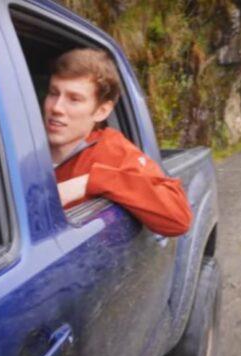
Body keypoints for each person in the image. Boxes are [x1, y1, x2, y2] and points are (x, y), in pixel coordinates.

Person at [46, 48, 192, 236]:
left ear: (101, 111)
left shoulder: (114, 152)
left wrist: (91, 182)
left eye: (74, 99)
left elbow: (178, 219)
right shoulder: (21, 144)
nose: (57, 107)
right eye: (53, 93)